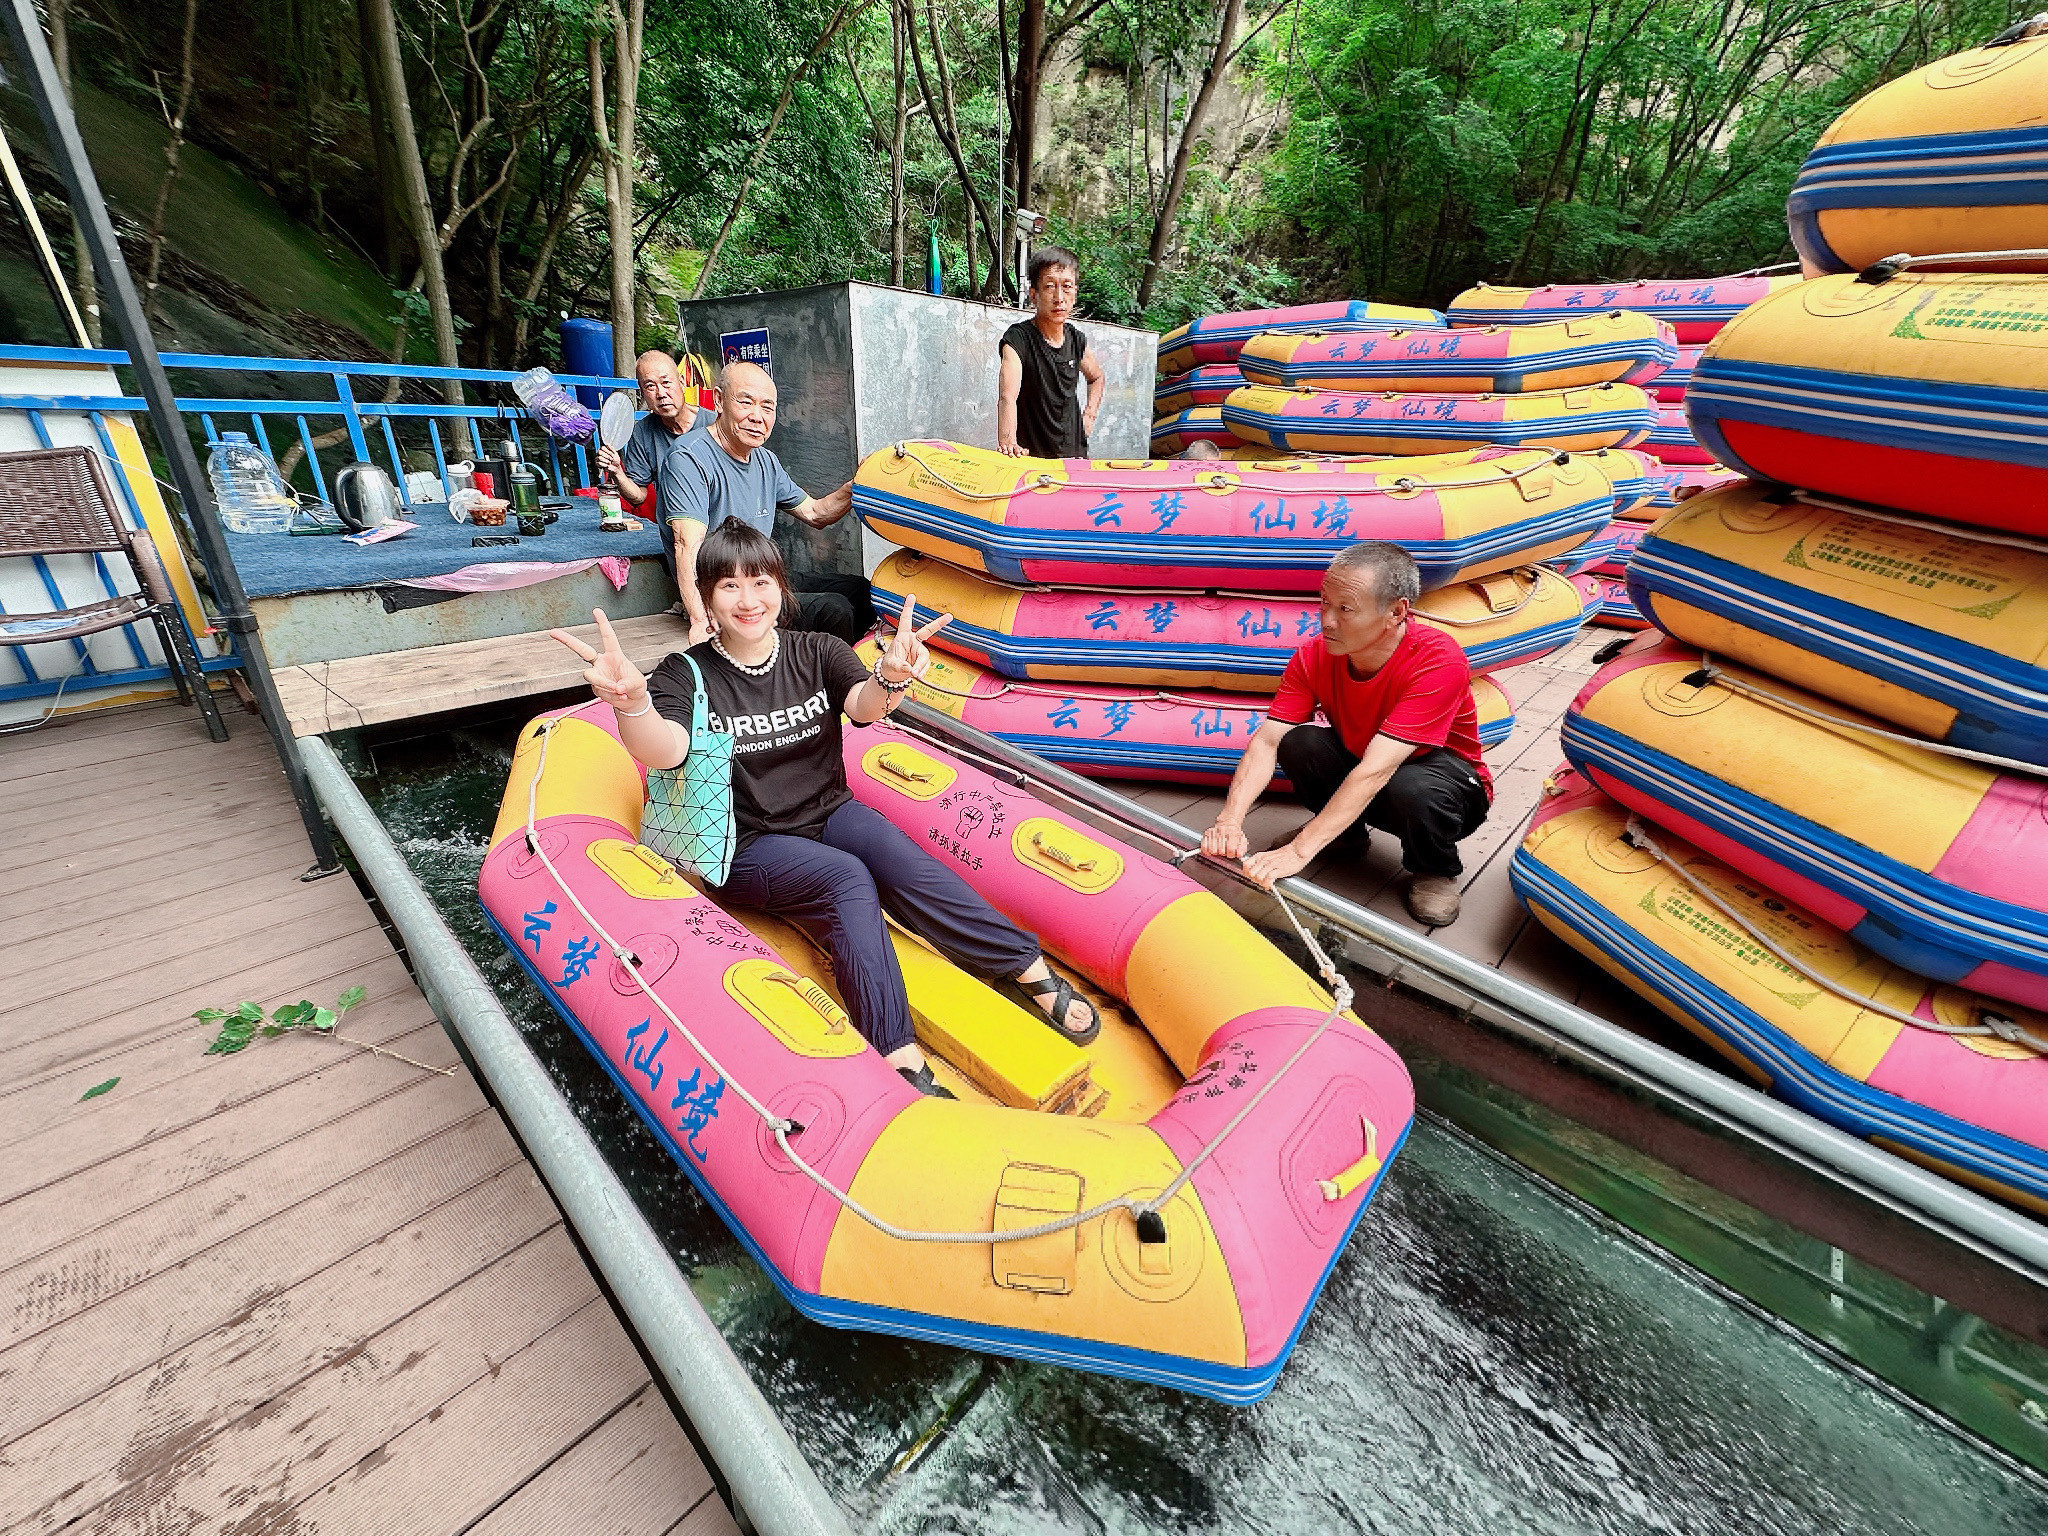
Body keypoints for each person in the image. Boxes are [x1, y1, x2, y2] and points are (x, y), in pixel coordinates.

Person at [550, 521, 1101, 1098]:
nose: (748, 600)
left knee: (897, 855)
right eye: (729, 586)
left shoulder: (817, 651)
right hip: (745, 842)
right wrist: (635, 705)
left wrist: (889, 677)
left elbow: (863, 709)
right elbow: (668, 749)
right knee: (846, 879)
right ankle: (895, 1047)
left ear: (781, 588)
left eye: (760, 582)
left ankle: (1021, 965)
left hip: (828, 811)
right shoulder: (684, 674)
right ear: (707, 596)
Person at [1199, 540, 1492, 927]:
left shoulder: (1437, 659)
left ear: (1396, 612)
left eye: (1346, 609)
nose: (1327, 620)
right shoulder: (1315, 654)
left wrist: (1301, 850)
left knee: (1413, 786)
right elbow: (1267, 741)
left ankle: (1435, 868)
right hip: (1370, 766)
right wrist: (1229, 822)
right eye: (1324, 603)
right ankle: (1345, 836)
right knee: (1299, 742)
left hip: (1443, 784)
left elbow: (1377, 770)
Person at [666, 360, 875, 647]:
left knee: (861, 590)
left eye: (767, 407)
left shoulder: (766, 461)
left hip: (763, 577)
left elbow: (815, 513)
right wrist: (702, 620)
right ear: (718, 400)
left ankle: (857, 666)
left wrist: (859, 486)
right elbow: (685, 544)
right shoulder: (688, 457)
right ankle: (836, 685)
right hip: (726, 590)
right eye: (746, 402)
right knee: (833, 608)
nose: (757, 416)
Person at [595, 350, 712, 601]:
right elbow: (638, 496)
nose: (661, 393)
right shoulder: (642, 433)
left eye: (666, 382)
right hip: (678, 539)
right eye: (650, 386)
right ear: (642, 393)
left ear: (681, 382)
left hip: (720, 537)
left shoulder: (714, 424)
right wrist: (617, 472)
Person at [998, 246, 1105, 459]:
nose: (1059, 297)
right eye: (1049, 286)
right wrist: (1008, 441)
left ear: (1074, 292)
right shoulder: (1018, 338)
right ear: (1033, 294)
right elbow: (1007, 395)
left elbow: (1096, 377)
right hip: (1032, 459)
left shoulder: (1076, 340)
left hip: (1074, 457)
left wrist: (1089, 416)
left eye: (1067, 287)